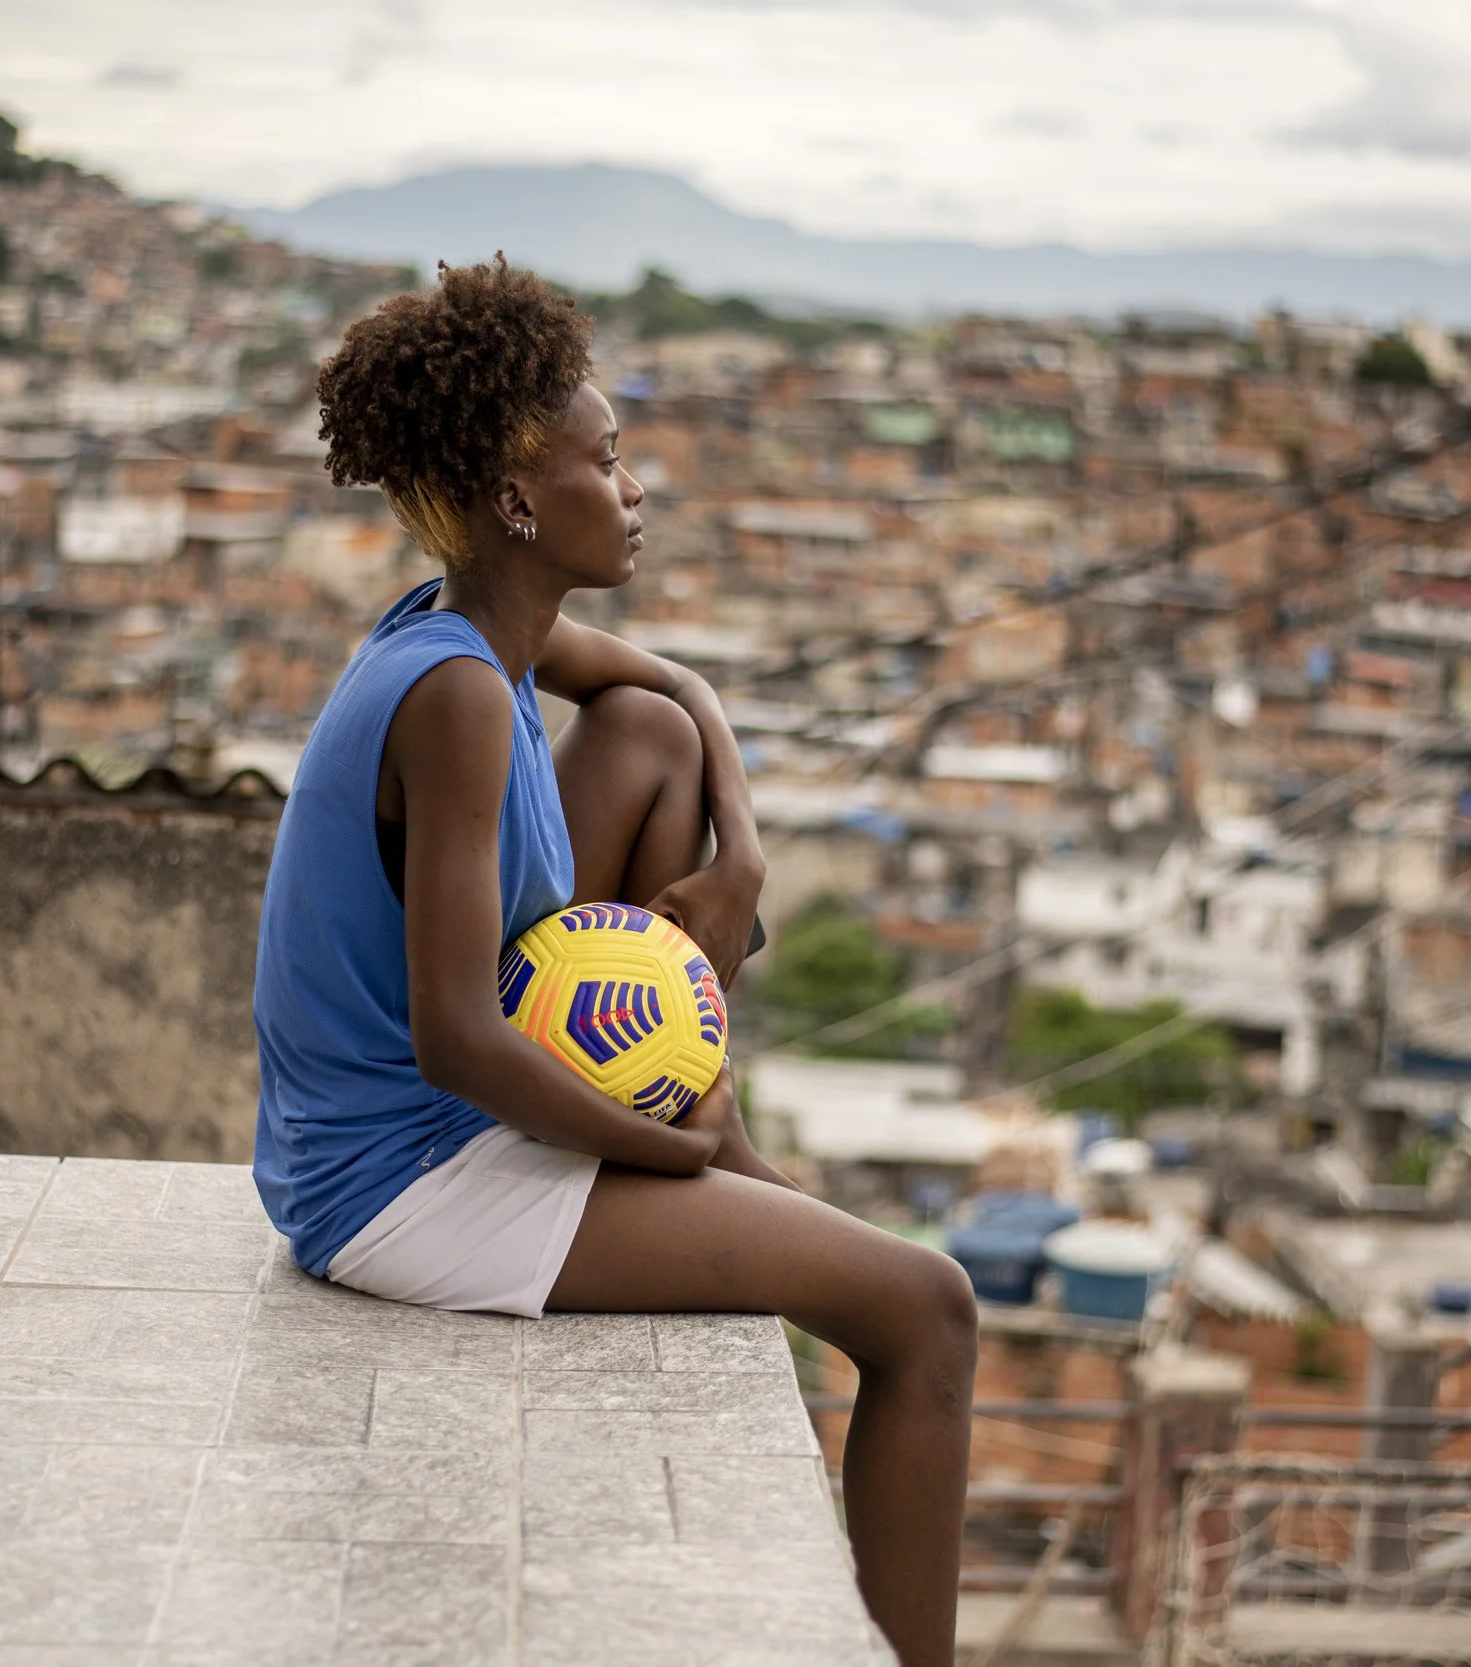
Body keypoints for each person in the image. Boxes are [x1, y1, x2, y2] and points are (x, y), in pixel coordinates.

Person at [252, 258, 975, 1665]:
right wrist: (670, 1160)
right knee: (924, 1307)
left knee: (649, 734)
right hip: (395, 1181)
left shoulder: (472, 624)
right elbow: (460, 1038)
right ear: (522, 500)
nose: (635, 488)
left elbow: (676, 695)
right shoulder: (458, 697)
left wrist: (744, 847)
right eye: (609, 460)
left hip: (420, 1125)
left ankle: (715, 1117)